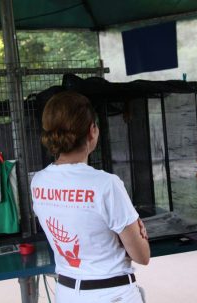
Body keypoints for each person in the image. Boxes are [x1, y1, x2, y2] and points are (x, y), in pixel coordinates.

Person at [31, 90, 150, 303]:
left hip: (67, 293)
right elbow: (142, 256)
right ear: (92, 131)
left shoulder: (38, 181)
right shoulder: (106, 184)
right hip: (112, 295)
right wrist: (132, 237)